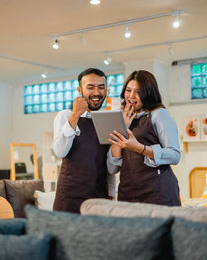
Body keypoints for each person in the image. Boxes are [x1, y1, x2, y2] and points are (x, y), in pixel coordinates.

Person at [108, 70, 181, 206]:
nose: (131, 96)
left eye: (138, 91)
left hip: (158, 192)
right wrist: (122, 128)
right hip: (128, 192)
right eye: (128, 90)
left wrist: (139, 148)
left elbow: (175, 155)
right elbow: (112, 168)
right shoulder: (121, 117)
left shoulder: (159, 114)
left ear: (148, 93)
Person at [52, 68, 116, 213]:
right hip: (69, 197)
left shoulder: (108, 120)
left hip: (99, 198)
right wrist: (75, 115)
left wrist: (111, 194)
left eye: (101, 87)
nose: (96, 93)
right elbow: (60, 151)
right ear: (79, 90)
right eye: (90, 87)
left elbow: (109, 167)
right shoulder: (65, 115)